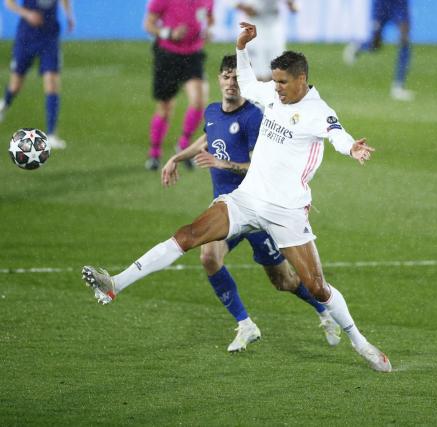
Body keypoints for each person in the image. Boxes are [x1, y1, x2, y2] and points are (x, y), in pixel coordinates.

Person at [81, 22, 391, 372]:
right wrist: (241, 48)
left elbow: (336, 134)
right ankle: (114, 284)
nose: (276, 88)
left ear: (302, 79)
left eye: (283, 82)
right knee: (188, 236)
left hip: (286, 211)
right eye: (274, 81)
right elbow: (245, 83)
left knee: (316, 287)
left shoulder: (318, 111)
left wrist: (352, 148)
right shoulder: (273, 94)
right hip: (246, 198)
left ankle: (360, 342)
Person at [159, 54, 341, 352]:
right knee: (208, 258)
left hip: (259, 206)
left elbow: (257, 166)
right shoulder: (213, 111)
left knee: (283, 281)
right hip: (228, 209)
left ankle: (324, 312)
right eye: (226, 77)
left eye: (235, 77)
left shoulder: (256, 117)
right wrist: (177, 157)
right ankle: (245, 324)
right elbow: (207, 138)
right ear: (218, 79)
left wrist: (222, 163)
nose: (231, 83)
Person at [143, 0, 214, 171]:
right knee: (165, 108)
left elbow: (209, 18)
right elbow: (148, 24)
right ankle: (154, 153)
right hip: (168, 56)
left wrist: (208, 31)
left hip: (193, 56)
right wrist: (168, 33)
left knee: (199, 101)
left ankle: (183, 144)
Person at [0, 0, 75, 149]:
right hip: (27, 35)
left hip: (49, 35)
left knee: (52, 82)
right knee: (15, 84)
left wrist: (69, 16)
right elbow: (8, 2)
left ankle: (52, 134)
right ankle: (4, 104)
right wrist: (27, 13)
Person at [343, 0, 414, 101]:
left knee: (404, 38)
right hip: (381, 3)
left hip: (399, 3)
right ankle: (359, 46)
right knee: (375, 45)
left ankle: (398, 87)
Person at [234, 0, 298, 81]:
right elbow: (234, 3)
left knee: (278, 69)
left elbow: (294, 8)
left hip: (274, 26)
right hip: (255, 25)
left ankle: (273, 92)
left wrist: (291, 4)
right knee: (257, 73)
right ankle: (257, 92)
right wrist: (245, 8)